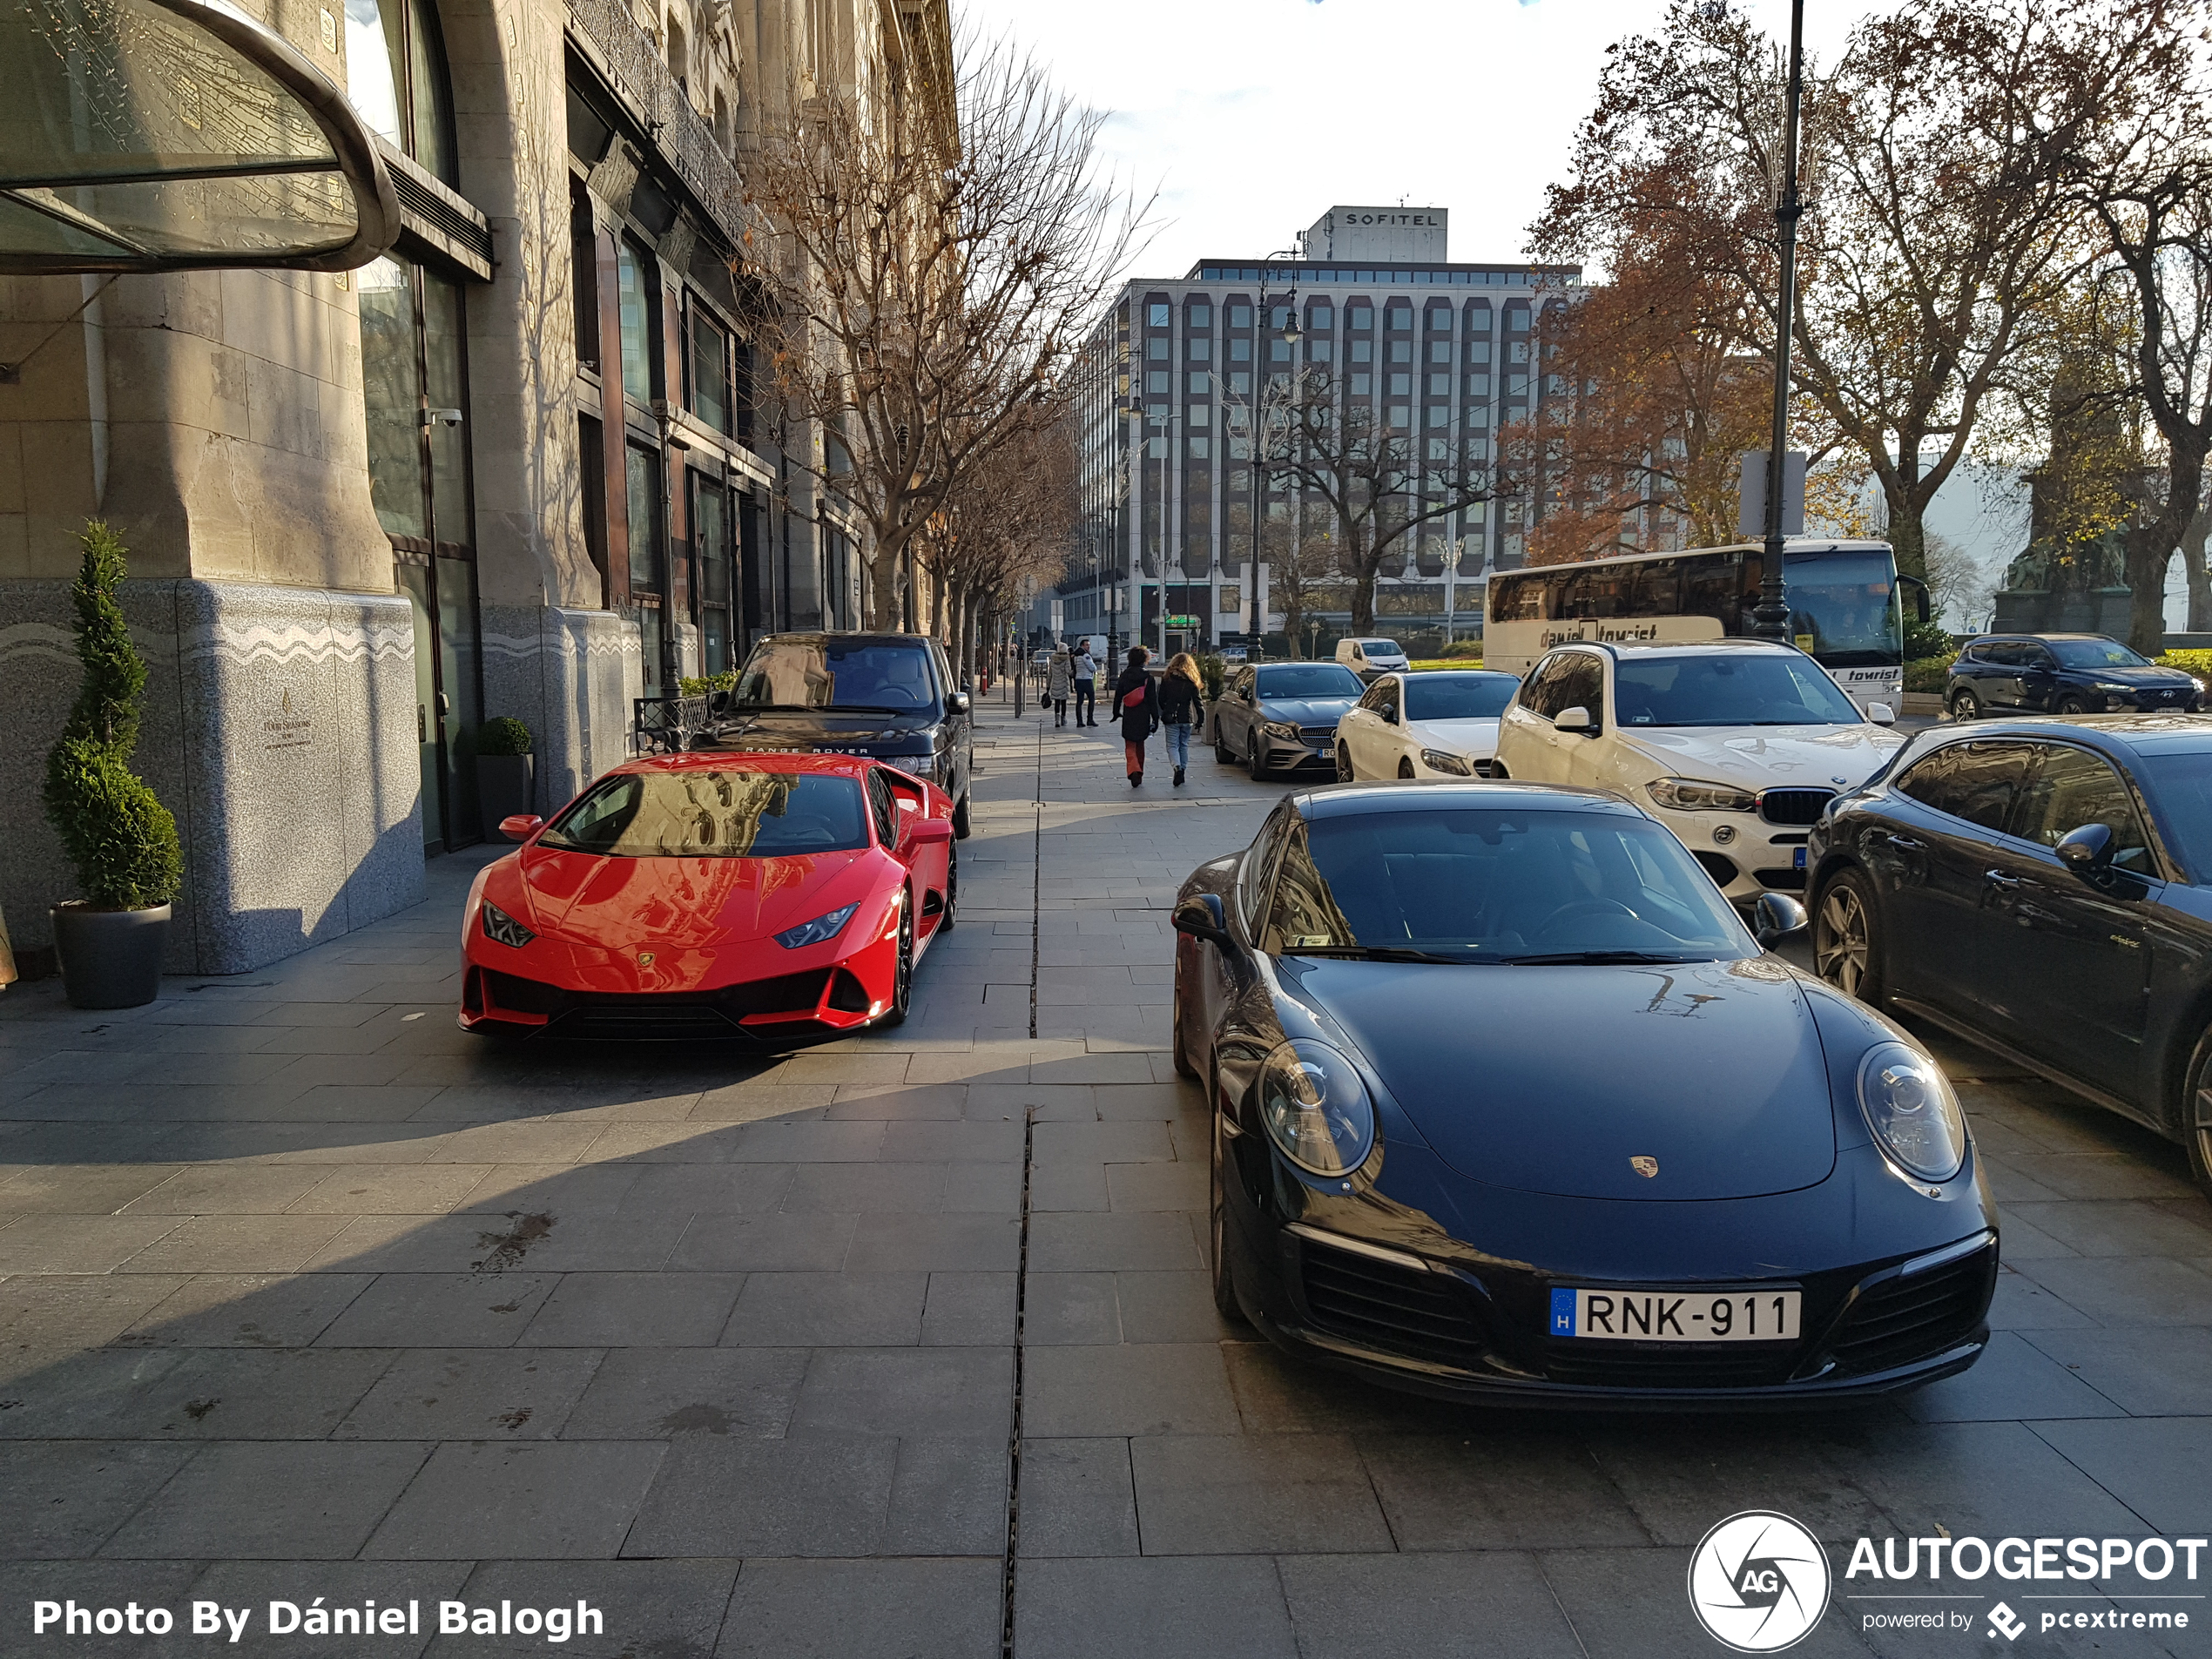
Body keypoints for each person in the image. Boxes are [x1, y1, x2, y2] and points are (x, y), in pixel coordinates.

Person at [1113, 646, 1158, 787]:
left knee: (1130, 744)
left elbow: (1118, 696)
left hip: (1129, 713)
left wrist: (1116, 712)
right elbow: (1153, 700)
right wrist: (1155, 719)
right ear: (1145, 659)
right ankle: (1139, 772)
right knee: (1140, 744)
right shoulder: (1148, 677)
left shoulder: (1125, 675)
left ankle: (1133, 768)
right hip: (1143, 714)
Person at [1158, 652, 1204, 787]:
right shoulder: (1192, 681)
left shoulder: (1167, 678)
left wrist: (1166, 710)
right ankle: (1182, 770)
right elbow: (1198, 703)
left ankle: (1177, 767)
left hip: (1171, 718)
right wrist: (1200, 720)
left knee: (1172, 746)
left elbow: (1160, 699)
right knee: (1183, 745)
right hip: (1186, 718)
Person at [1044, 643, 1072, 727]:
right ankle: (1063, 719)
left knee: (1057, 702)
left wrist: (1048, 686)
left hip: (1055, 683)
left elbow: (1050, 674)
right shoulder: (1066, 660)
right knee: (1063, 702)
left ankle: (1057, 720)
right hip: (1063, 683)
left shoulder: (1053, 660)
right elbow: (1068, 671)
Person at [1071, 641, 1098, 726]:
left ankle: (1079, 721)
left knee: (1079, 701)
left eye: (1089, 645)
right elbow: (1093, 668)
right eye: (1087, 645)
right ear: (1082, 646)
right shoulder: (1086, 656)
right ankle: (1090, 719)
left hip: (1078, 679)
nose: (1088, 647)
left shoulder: (1076, 656)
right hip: (1086, 679)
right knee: (1091, 699)